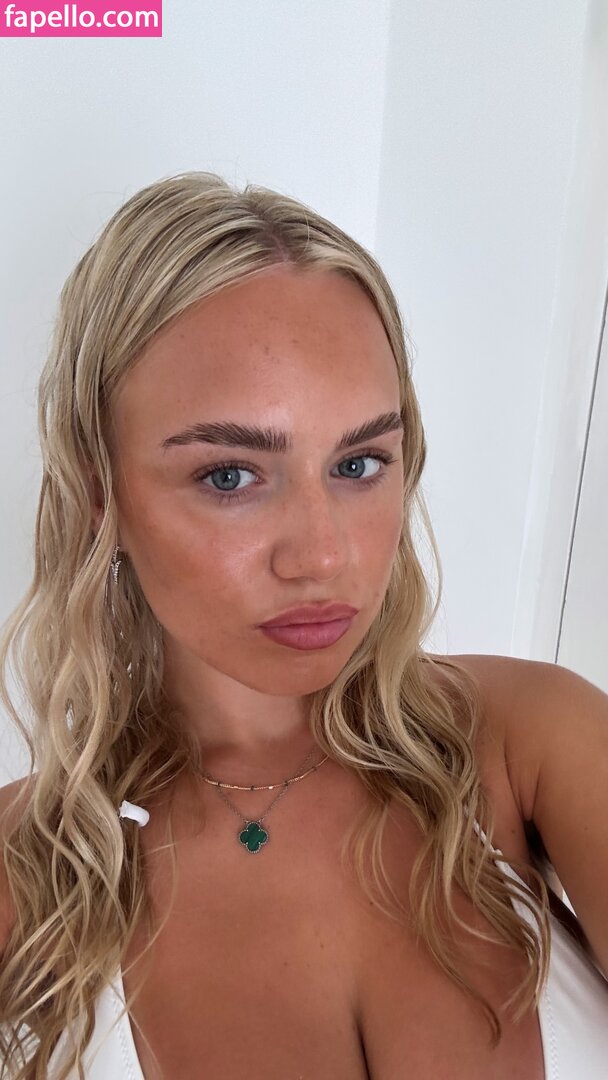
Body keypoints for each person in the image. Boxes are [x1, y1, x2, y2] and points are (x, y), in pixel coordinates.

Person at [0, 171, 607, 1080]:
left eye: (360, 463)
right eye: (230, 476)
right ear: (101, 496)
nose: (324, 557)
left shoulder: (530, 740)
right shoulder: (25, 877)